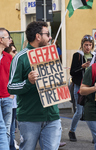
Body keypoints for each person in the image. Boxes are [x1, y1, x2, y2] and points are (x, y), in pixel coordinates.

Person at [7, 21, 61, 150]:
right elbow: (11, 87)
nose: (50, 37)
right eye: (47, 34)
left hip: (52, 116)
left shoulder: (51, 55)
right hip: (30, 117)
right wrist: (28, 82)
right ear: (38, 36)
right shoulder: (20, 58)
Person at [68, 35, 94, 142]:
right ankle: (72, 131)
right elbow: (72, 72)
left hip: (90, 87)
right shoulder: (77, 55)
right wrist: (81, 67)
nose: (87, 47)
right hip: (79, 86)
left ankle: (95, 135)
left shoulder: (94, 55)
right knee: (79, 111)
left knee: (90, 112)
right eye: (85, 45)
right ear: (82, 45)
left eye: (89, 45)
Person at [4, 43, 19, 150]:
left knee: (11, 128)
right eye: (13, 51)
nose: (16, 53)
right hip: (7, 99)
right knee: (6, 128)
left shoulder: (14, 63)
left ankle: (11, 146)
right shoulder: (6, 61)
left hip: (12, 101)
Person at [0, 27, 12, 150]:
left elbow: (14, 77)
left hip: (7, 98)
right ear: (0, 39)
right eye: (8, 37)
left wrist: (11, 95)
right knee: (1, 128)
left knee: (7, 129)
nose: (10, 39)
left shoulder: (9, 57)